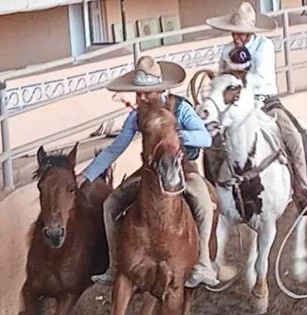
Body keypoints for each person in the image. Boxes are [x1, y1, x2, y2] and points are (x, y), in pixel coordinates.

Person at [78, 56, 235, 288]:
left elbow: (204, 137)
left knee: (205, 204)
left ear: (160, 89)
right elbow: (115, 148)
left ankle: (203, 262)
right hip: (150, 172)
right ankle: (114, 266)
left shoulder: (181, 109)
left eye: (147, 93)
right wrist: (86, 175)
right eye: (138, 93)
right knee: (110, 204)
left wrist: (177, 137)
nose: (142, 97)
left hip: (183, 168)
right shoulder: (136, 116)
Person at [206, 1, 307, 215]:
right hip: (234, 105)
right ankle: (215, 194)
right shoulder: (226, 50)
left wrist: (236, 80)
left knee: (295, 136)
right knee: (211, 143)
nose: (237, 37)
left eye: (241, 33)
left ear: (251, 32)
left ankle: (303, 190)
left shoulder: (264, 46)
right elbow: (221, 78)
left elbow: (260, 77)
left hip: (265, 102)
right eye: (234, 33)